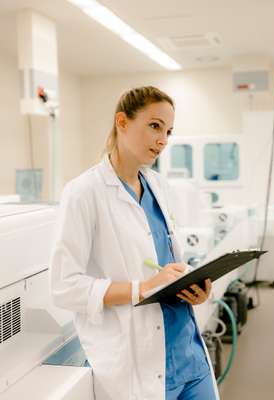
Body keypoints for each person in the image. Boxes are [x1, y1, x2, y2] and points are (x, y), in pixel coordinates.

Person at [50, 86, 220, 400]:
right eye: (155, 126)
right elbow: (64, 286)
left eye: (168, 131)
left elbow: (166, 261)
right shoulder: (84, 192)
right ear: (122, 122)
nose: (163, 140)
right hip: (139, 367)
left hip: (189, 355)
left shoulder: (157, 185)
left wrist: (192, 286)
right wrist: (140, 288)